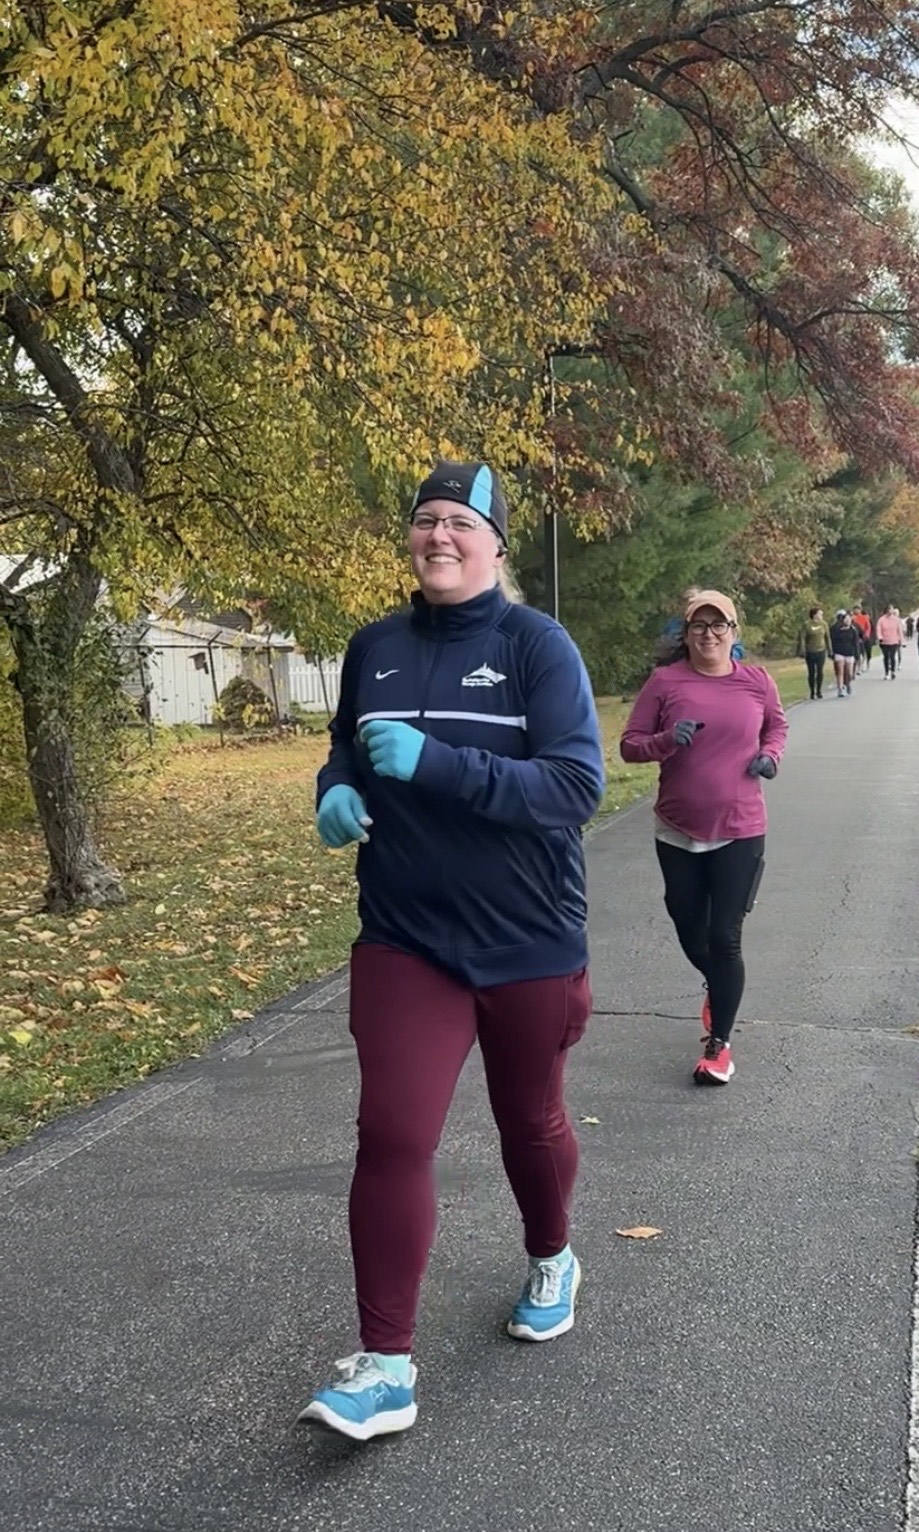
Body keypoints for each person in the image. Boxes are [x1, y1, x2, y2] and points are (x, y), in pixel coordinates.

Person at [300, 460, 605, 1442]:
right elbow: (347, 743)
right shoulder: (375, 645)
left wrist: (442, 766)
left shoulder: (537, 647)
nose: (438, 535)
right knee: (392, 1133)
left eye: (459, 522)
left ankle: (552, 1252)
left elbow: (572, 787)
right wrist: (334, 791)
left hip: (527, 939)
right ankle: (386, 1365)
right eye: (425, 520)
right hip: (407, 936)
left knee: (531, 1122)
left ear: (496, 543)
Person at [619, 590, 787, 1086]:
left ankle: (720, 1047)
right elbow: (629, 747)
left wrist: (770, 756)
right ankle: (718, 986)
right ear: (686, 633)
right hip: (678, 830)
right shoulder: (665, 682)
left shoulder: (756, 682)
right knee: (691, 930)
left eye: (720, 625)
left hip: (741, 827)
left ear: (735, 633)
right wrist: (668, 740)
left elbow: (776, 727)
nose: (709, 633)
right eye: (699, 625)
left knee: (724, 937)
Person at [801, 605, 831, 699]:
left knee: (820, 671)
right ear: (814, 615)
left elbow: (827, 637)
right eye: (820, 614)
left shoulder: (824, 624)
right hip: (810, 651)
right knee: (811, 672)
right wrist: (803, 649)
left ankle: (819, 691)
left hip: (821, 651)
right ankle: (812, 691)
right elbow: (802, 638)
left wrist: (830, 650)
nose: (822, 615)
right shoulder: (807, 624)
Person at [829, 608, 860, 697]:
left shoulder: (853, 630)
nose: (848, 621)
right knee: (840, 671)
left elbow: (856, 642)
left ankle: (848, 683)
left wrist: (857, 653)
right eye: (846, 619)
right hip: (839, 652)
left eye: (849, 619)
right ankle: (840, 689)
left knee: (849, 673)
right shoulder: (836, 629)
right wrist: (832, 652)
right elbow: (832, 640)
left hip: (850, 652)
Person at [876, 604, 904, 679]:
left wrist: (901, 640)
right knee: (886, 657)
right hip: (884, 641)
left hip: (894, 641)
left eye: (891, 609)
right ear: (886, 610)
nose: (890, 611)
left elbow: (899, 630)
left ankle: (893, 672)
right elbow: (879, 629)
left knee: (892, 656)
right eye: (889, 609)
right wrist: (880, 637)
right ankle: (886, 672)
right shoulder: (881, 620)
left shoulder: (896, 620)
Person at [851, 605, 873, 672]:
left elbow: (868, 627)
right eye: (855, 609)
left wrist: (866, 634)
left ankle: (867, 663)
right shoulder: (852, 618)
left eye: (858, 609)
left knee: (867, 651)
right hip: (856, 637)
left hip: (864, 636)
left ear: (860, 610)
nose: (856, 611)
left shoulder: (864, 618)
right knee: (859, 652)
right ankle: (859, 666)